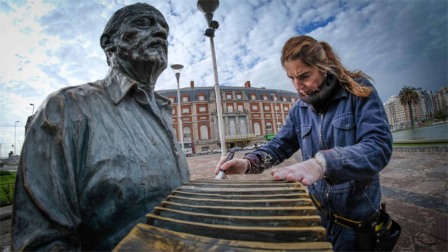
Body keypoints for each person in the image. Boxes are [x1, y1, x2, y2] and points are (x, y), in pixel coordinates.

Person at [12, 3, 190, 251]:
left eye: (164, 29)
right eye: (144, 23)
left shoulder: (164, 113)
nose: (161, 32)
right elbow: (41, 243)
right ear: (109, 43)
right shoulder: (66, 109)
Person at [215, 35, 394, 251]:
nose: (298, 87)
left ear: (324, 65)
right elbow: (278, 145)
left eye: (304, 76)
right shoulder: (299, 109)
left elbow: (378, 146)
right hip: (317, 215)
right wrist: (247, 163)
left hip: (355, 222)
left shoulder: (358, 91)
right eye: (291, 78)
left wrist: (321, 164)